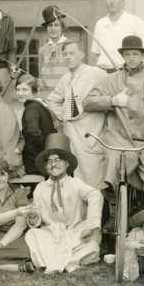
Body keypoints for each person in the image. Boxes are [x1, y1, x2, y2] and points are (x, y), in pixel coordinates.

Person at [83, 35, 144, 230]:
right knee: (115, 168)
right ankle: (115, 213)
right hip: (117, 138)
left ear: (142, 56)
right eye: (127, 54)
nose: (131, 58)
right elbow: (87, 102)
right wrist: (113, 100)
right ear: (123, 56)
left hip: (143, 140)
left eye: (135, 54)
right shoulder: (112, 80)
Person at [25, 133, 104, 274]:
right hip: (51, 235)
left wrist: (91, 226)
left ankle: (58, 258)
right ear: (45, 166)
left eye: (58, 160)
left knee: (92, 246)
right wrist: (33, 217)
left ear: (67, 163)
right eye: (49, 161)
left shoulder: (75, 183)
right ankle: (67, 259)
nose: (53, 164)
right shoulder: (40, 188)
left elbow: (95, 195)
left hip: (75, 232)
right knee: (32, 234)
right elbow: (36, 216)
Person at [46, 39, 107, 189]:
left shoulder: (96, 73)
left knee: (93, 178)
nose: (67, 57)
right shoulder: (66, 78)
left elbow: (114, 87)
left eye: (71, 53)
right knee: (75, 176)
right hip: (72, 135)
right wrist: (64, 116)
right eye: (65, 54)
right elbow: (52, 100)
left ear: (81, 55)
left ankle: (99, 210)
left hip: (91, 132)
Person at [91, 0, 144, 71]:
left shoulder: (134, 21)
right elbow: (97, 54)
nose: (111, 1)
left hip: (125, 74)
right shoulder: (100, 24)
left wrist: (137, 73)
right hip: (103, 75)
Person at [16, 74, 56, 175]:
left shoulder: (32, 108)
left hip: (35, 162)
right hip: (43, 160)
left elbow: (33, 132)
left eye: (25, 90)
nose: (20, 93)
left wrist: (44, 151)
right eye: (18, 89)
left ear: (34, 91)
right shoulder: (40, 105)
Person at [37, 5, 69, 78]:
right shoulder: (42, 50)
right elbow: (41, 74)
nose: (53, 28)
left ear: (62, 26)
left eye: (56, 25)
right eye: (50, 25)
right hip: (48, 89)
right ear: (46, 28)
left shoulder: (70, 45)